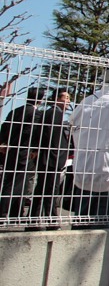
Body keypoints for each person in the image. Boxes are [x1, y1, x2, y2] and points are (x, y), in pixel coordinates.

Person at [68, 55, 109, 223]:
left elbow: (72, 128)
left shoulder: (86, 102)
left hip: (84, 171)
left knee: (82, 224)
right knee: (107, 231)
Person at [28, 88, 73, 224]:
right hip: (52, 159)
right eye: (65, 98)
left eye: (69, 98)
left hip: (48, 158)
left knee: (42, 189)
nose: (68, 101)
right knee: (50, 190)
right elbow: (51, 138)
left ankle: (34, 219)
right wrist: (57, 157)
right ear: (57, 99)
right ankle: (51, 219)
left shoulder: (51, 112)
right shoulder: (55, 113)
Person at [0, 86, 44, 221]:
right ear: (40, 100)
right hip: (25, 152)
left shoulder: (15, 111)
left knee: (13, 181)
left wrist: (4, 142)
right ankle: (5, 213)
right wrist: (35, 148)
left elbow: (5, 127)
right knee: (17, 183)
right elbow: (32, 132)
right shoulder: (36, 114)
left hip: (10, 150)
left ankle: (16, 212)